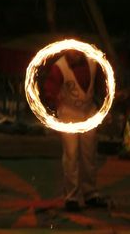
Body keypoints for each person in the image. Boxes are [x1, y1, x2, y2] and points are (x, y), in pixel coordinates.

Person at [43, 49, 108, 212]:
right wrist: (53, 100)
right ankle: (71, 197)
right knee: (71, 155)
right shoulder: (59, 67)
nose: (75, 54)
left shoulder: (93, 63)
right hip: (68, 114)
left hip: (89, 113)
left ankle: (90, 194)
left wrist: (108, 101)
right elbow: (50, 89)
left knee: (89, 154)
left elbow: (102, 86)